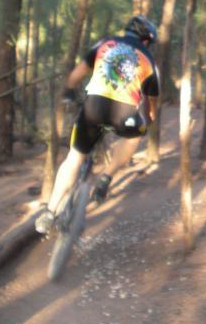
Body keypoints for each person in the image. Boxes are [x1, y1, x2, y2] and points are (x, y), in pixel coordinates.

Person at [35, 15, 160, 236]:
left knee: (74, 157)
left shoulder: (104, 44)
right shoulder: (149, 60)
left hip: (93, 107)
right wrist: (148, 120)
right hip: (124, 113)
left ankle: (50, 211)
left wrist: (68, 94)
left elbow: (76, 75)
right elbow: (151, 104)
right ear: (147, 41)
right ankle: (106, 177)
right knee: (135, 134)